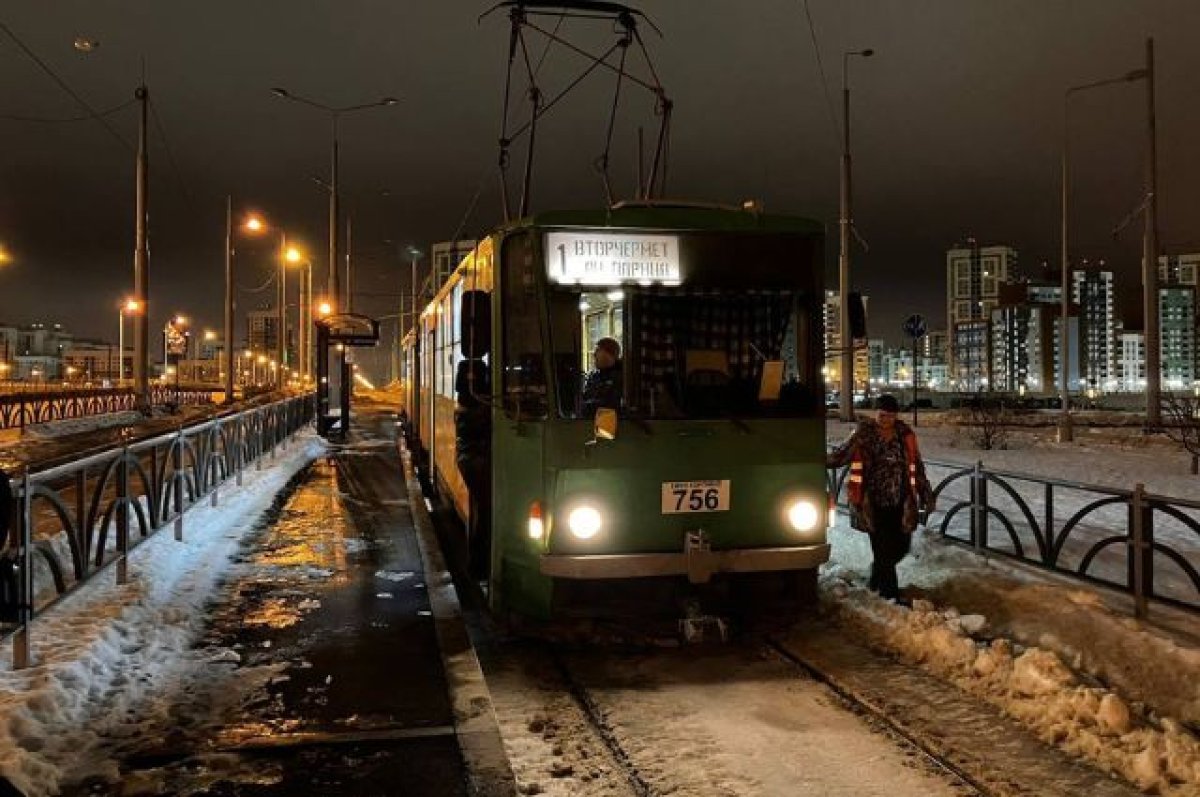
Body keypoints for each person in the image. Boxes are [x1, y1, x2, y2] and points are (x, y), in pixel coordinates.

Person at [827, 394, 934, 604]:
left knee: (901, 547)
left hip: (901, 502)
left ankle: (876, 580)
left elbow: (917, 466)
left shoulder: (905, 435)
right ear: (876, 414)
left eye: (890, 416)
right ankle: (890, 596)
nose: (886, 420)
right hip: (871, 503)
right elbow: (841, 455)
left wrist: (925, 493)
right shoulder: (863, 434)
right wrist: (813, 460)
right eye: (883, 415)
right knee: (883, 549)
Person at [581, 336, 623, 416]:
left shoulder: (620, 378)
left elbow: (612, 404)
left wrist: (586, 406)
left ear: (609, 354)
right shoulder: (593, 376)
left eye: (598, 350)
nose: (594, 354)